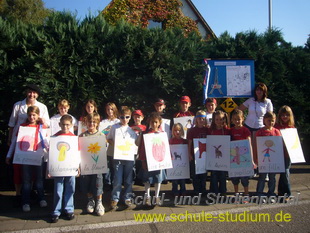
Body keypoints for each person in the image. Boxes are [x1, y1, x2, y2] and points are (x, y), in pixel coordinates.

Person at [6, 84, 49, 206]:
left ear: (37, 95)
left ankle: (32, 193)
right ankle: (19, 194)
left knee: (36, 172)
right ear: (26, 93)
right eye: (30, 92)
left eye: (34, 93)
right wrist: (9, 140)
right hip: (20, 144)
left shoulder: (42, 107)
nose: (32, 95)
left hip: (36, 145)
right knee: (19, 171)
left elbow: (47, 125)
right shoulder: (18, 105)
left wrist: (41, 121)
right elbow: (11, 124)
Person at [107, 107, 139, 211]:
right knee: (117, 179)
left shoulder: (132, 130)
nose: (124, 119)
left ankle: (127, 198)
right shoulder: (114, 127)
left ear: (130, 118)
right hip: (118, 157)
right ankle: (115, 198)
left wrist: (140, 132)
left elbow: (136, 143)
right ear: (119, 117)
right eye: (122, 117)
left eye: (127, 117)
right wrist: (116, 145)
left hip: (129, 157)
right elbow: (109, 139)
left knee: (129, 179)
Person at [18, 106, 48, 212]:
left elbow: (46, 140)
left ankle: (41, 198)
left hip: (38, 156)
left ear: (38, 116)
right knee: (26, 180)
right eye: (30, 115)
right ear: (27, 115)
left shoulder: (42, 127)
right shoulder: (23, 126)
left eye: (34, 115)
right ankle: (26, 202)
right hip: (26, 157)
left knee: (39, 179)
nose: (31, 117)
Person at [49, 115, 77, 223]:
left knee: (70, 188)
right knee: (58, 189)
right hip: (58, 168)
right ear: (59, 124)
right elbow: (51, 154)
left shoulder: (73, 138)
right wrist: (49, 169)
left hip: (71, 167)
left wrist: (78, 166)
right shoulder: (55, 137)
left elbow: (77, 153)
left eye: (67, 125)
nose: (65, 127)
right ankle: (56, 211)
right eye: (63, 124)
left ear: (71, 125)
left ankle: (69, 209)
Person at [238, 82, 273, 164]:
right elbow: (239, 109)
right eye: (257, 90)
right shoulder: (250, 100)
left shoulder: (267, 102)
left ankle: (261, 167)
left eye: (261, 90)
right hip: (248, 126)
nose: (259, 92)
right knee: (248, 147)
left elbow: (270, 115)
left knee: (260, 148)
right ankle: (250, 166)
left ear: (264, 92)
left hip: (260, 127)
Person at [137, 112, 167, 206]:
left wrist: (166, 159)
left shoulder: (162, 134)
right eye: (152, 122)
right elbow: (141, 147)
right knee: (147, 179)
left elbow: (165, 148)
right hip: (147, 160)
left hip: (158, 160)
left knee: (158, 178)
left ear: (159, 123)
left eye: (155, 122)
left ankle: (157, 196)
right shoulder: (145, 133)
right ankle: (147, 196)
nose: (153, 124)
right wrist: (142, 160)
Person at [79, 113, 105, 216]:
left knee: (98, 182)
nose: (92, 124)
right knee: (86, 182)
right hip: (86, 165)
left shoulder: (101, 135)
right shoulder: (82, 136)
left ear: (97, 123)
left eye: (94, 122)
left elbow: (103, 151)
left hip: (98, 165)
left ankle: (99, 202)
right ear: (86, 123)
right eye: (90, 122)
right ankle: (91, 200)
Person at [255, 112, 281, 197]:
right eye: (269, 120)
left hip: (274, 159)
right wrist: (256, 158)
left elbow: (278, 146)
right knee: (262, 176)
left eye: (272, 120)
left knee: (272, 177)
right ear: (264, 120)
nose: (271, 122)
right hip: (263, 159)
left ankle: (271, 192)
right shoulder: (260, 132)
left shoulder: (276, 132)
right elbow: (256, 145)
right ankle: (259, 192)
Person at [230, 109, 252, 197]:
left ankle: (246, 193)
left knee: (244, 178)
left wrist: (252, 159)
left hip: (244, 158)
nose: (237, 121)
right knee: (234, 178)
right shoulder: (230, 130)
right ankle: (236, 193)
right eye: (235, 119)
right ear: (232, 120)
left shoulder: (245, 130)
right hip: (233, 159)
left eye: (239, 119)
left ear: (243, 119)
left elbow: (249, 144)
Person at [275, 105, 295, 197]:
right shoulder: (276, 127)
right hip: (278, 154)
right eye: (283, 115)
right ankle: (281, 192)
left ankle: (287, 194)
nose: (285, 117)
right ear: (279, 116)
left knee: (286, 173)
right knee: (283, 174)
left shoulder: (291, 127)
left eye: (287, 115)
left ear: (290, 116)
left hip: (288, 154)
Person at [186, 110, 208, 195]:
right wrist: (189, 154)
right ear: (196, 120)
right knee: (195, 174)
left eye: (203, 119)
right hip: (195, 155)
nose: (201, 121)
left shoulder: (207, 130)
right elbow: (189, 142)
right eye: (199, 119)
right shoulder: (192, 131)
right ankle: (196, 190)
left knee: (203, 174)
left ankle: (203, 189)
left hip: (204, 155)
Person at [209, 110, 230, 195]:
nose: (219, 121)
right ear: (214, 120)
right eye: (217, 119)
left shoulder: (227, 130)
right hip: (213, 157)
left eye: (221, 119)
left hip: (224, 158)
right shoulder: (210, 130)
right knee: (213, 174)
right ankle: (213, 191)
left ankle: (223, 191)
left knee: (222, 174)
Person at [101, 102, 120, 190]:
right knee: (107, 166)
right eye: (108, 109)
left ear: (114, 110)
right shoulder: (103, 122)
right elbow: (101, 134)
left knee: (114, 166)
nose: (110, 111)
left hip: (115, 147)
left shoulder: (118, 121)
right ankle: (107, 183)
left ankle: (114, 183)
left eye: (111, 109)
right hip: (105, 147)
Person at [169, 123, 188, 196]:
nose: (177, 132)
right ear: (173, 132)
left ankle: (183, 190)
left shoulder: (185, 141)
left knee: (183, 178)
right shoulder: (170, 141)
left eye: (179, 130)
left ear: (182, 131)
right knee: (174, 179)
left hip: (183, 164)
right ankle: (175, 190)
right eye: (175, 130)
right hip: (174, 164)